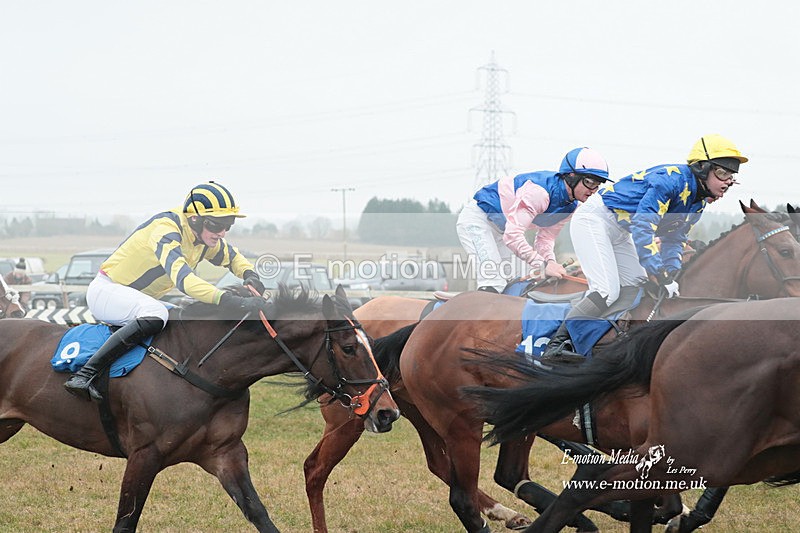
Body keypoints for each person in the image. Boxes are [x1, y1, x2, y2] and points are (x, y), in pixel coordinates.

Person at [542, 134, 748, 358]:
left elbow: (674, 240)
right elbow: (643, 227)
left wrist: (672, 272)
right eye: (722, 173)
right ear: (701, 167)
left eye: (732, 176)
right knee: (605, 291)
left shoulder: (697, 204)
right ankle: (556, 345)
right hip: (595, 220)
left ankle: (601, 338)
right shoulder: (671, 181)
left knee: (636, 285)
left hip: (620, 230)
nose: (728, 181)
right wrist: (659, 272)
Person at [64, 181, 268, 401]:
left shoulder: (200, 237)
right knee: (158, 314)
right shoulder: (166, 230)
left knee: (182, 316)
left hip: (136, 298)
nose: (223, 233)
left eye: (228, 225)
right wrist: (229, 301)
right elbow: (186, 281)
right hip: (108, 291)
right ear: (195, 219)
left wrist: (250, 275)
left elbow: (232, 256)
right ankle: (84, 375)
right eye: (217, 225)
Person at [456, 147, 612, 293]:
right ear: (571, 177)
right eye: (589, 183)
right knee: (494, 282)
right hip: (478, 221)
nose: (593, 191)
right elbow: (513, 236)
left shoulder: (571, 206)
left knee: (521, 282)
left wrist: (551, 262)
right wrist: (542, 265)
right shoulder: (539, 193)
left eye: (597, 185)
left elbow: (545, 240)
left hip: (502, 232)